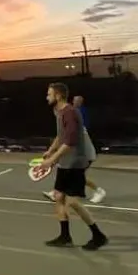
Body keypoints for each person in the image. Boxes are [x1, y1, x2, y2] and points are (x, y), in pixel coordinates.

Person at [34, 83, 108, 250]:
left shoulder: (70, 113)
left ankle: (98, 235)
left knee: (73, 202)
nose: (47, 97)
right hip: (65, 163)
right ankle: (65, 236)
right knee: (59, 197)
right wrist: (50, 151)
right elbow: (61, 136)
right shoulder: (59, 112)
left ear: (58, 95)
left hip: (75, 163)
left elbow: (70, 142)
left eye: (49, 94)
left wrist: (51, 160)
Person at [43, 94, 105, 204]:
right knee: (67, 173)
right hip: (76, 155)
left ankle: (99, 191)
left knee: (75, 176)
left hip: (85, 155)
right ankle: (56, 192)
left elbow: (67, 142)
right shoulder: (68, 120)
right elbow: (60, 137)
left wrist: (52, 157)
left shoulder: (72, 122)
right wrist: (50, 150)